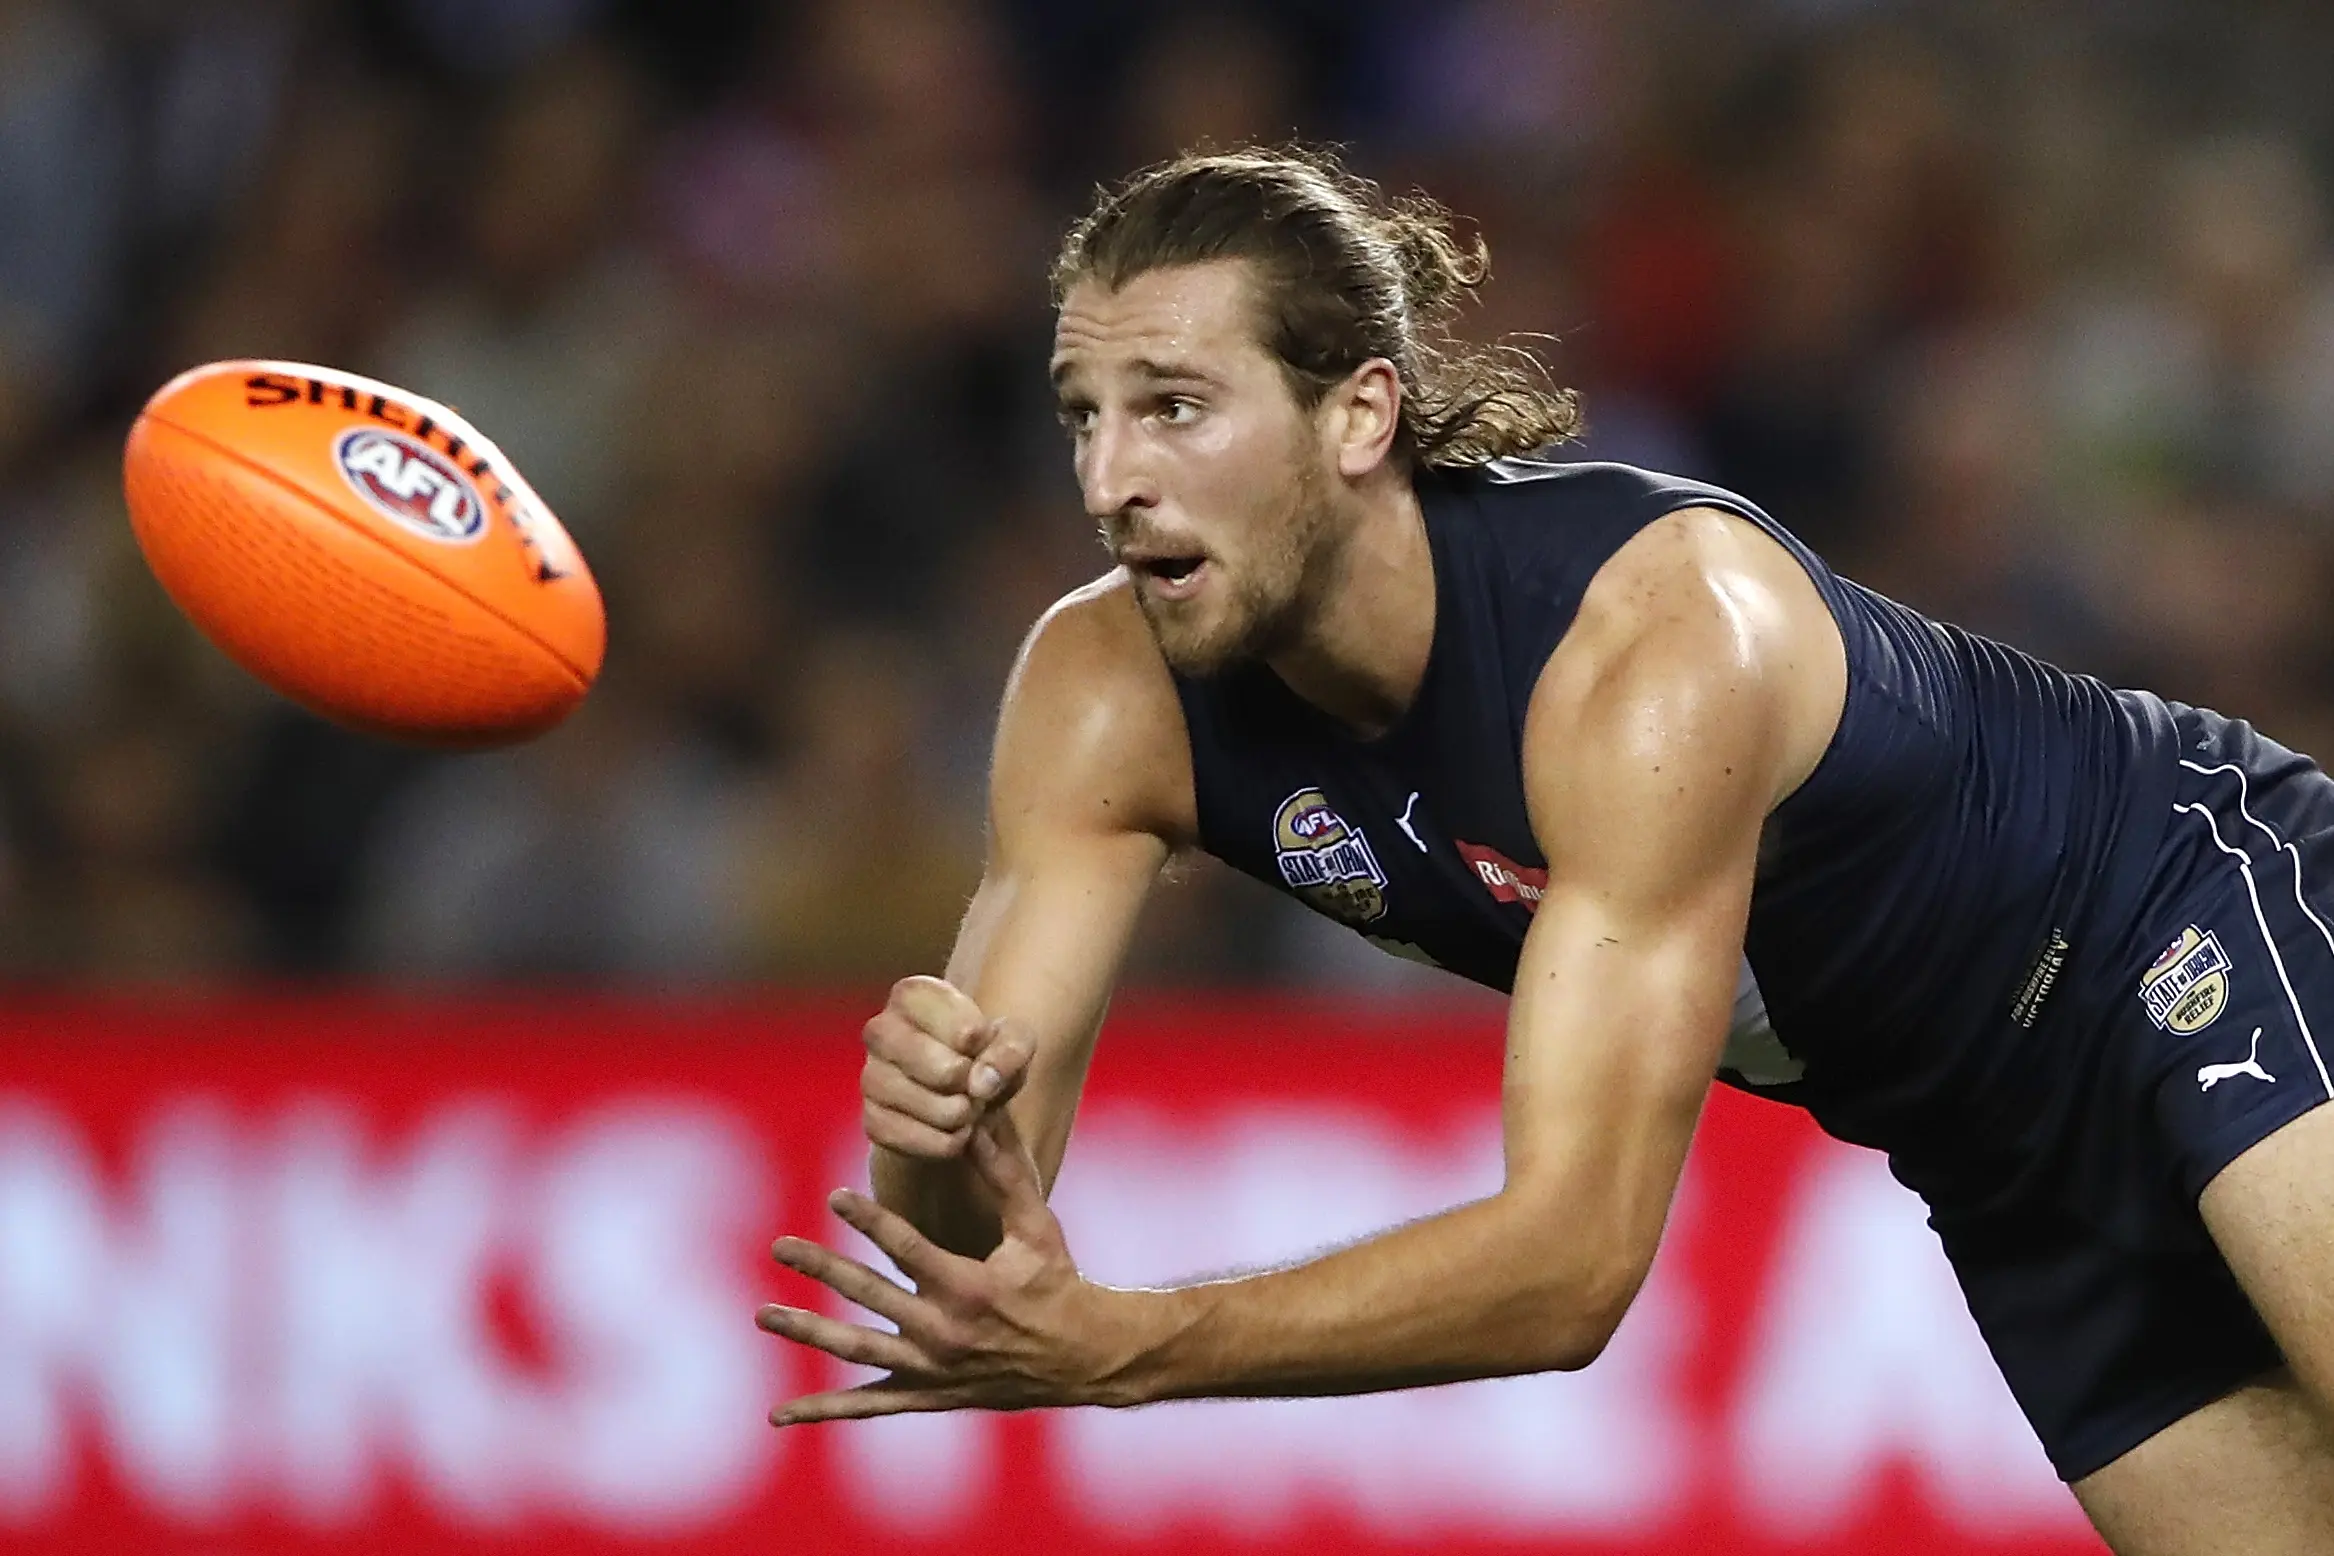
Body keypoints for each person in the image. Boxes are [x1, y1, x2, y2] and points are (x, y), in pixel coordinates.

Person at [753, 146, 2334, 1554]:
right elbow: (954, 1257)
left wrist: (1133, 1346)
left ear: (1357, 411)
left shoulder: (1645, 643)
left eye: (1174, 405)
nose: (1111, 480)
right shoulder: (1103, 695)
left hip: (2186, 916)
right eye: (1082, 417)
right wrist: (937, 1134)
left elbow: (1571, 1262)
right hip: (1990, 1158)